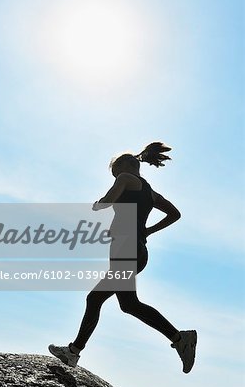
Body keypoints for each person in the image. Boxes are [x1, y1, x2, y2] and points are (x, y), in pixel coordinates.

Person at [49, 142, 197, 373]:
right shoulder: (150, 191)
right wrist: (146, 231)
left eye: (114, 173)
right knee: (128, 304)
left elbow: (105, 203)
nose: (115, 177)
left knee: (95, 299)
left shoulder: (126, 179)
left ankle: (73, 352)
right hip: (135, 250)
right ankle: (180, 338)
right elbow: (174, 214)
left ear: (126, 167)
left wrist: (98, 205)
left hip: (127, 249)